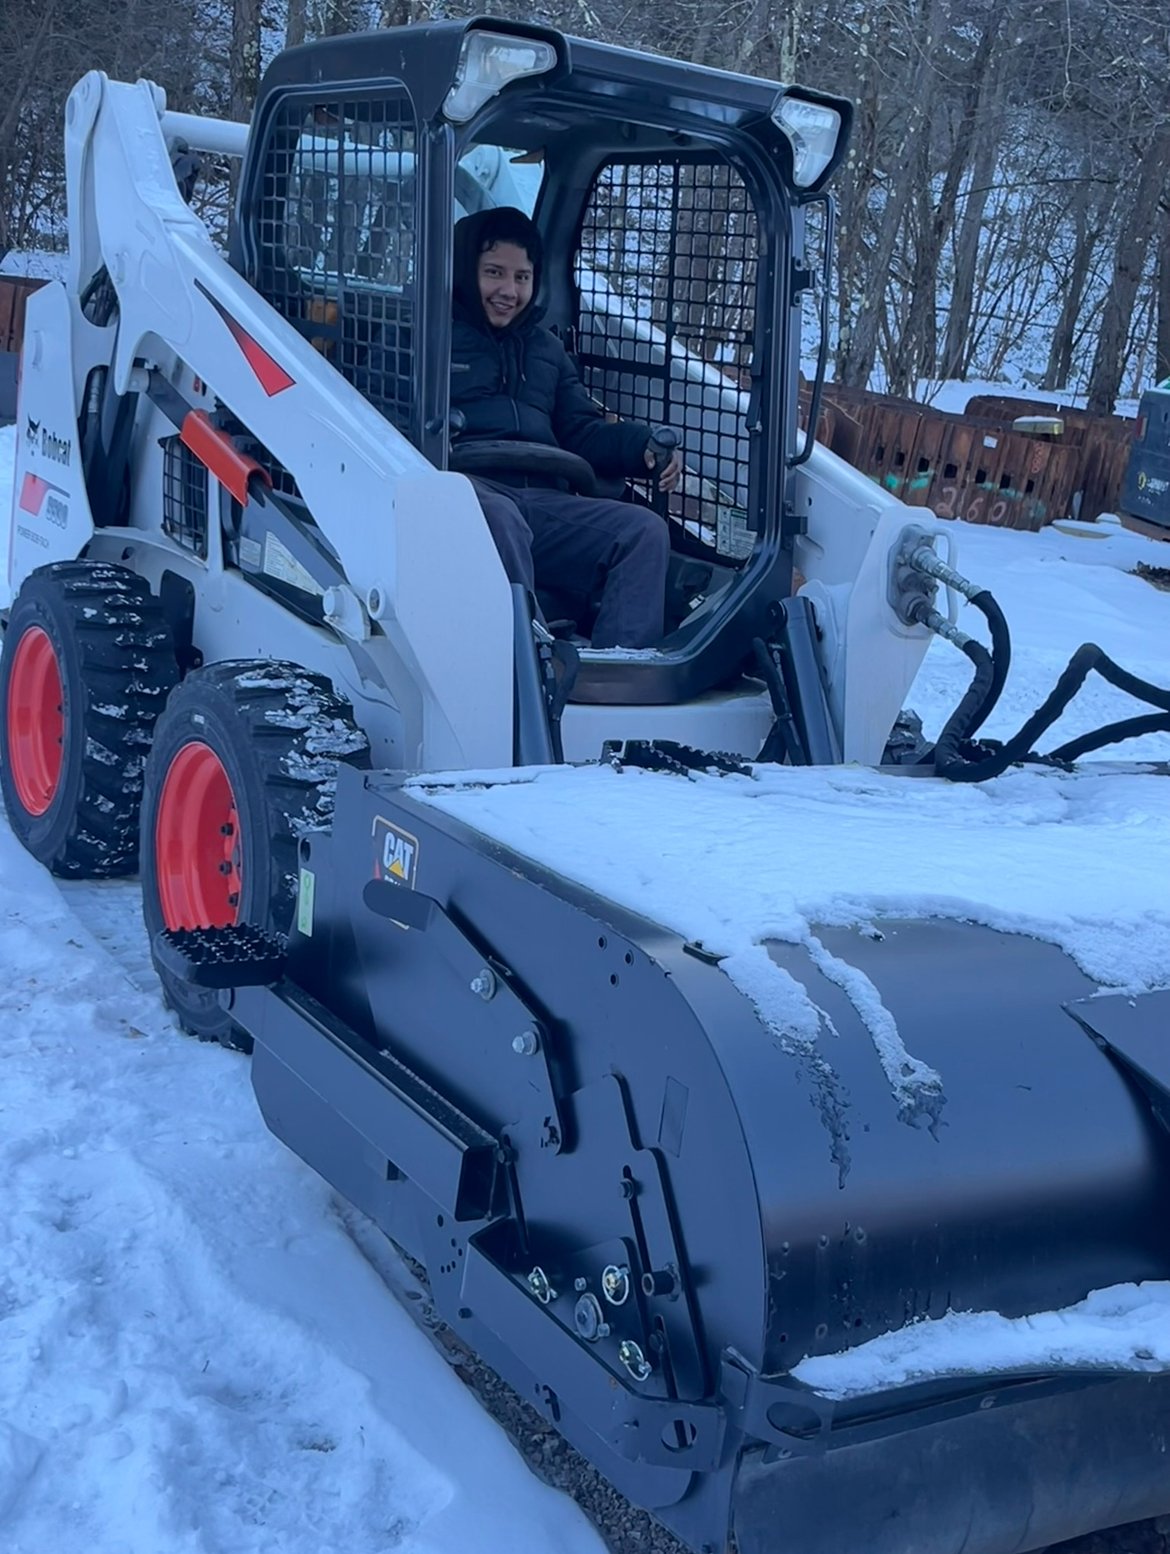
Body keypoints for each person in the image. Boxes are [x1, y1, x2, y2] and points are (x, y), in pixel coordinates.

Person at [450, 207, 682, 649]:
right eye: (494, 273)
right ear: (464, 269)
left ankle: (620, 674)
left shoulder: (547, 349)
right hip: (463, 492)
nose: (509, 291)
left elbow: (582, 431)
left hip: (542, 501)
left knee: (643, 531)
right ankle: (532, 661)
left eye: (522, 277)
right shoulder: (423, 336)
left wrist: (643, 446)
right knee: (500, 518)